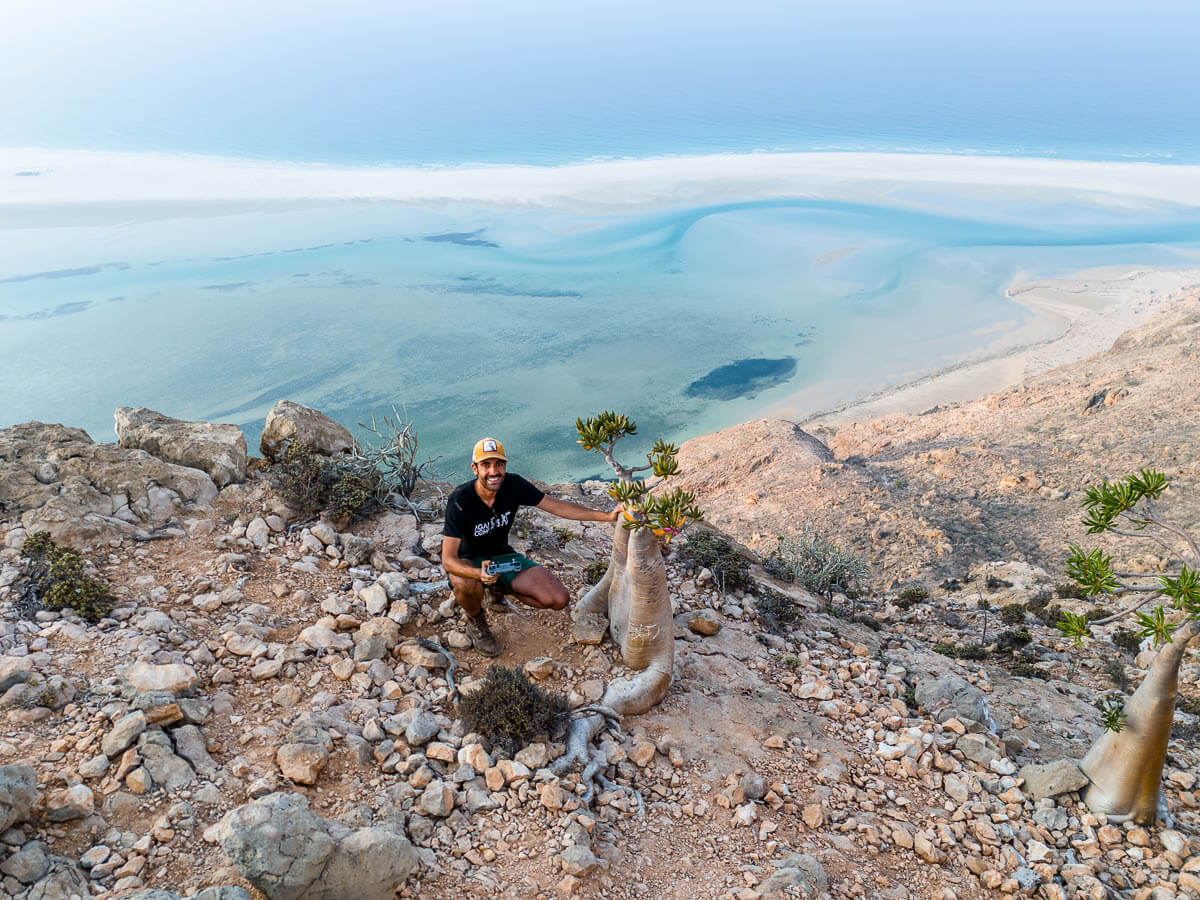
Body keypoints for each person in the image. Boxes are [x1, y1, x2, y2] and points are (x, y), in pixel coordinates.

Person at [441, 437, 621, 656]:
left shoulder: (513, 485)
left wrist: (606, 516)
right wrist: (478, 573)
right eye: (486, 465)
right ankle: (476, 620)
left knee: (558, 599)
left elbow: (557, 507)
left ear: (505, 466)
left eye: (499, 464)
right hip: (469, 562)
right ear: (475, 468)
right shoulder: (460, 500)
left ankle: (497, 588)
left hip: (502, 556)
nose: (493, 471)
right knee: (464, 584)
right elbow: (448, 560)